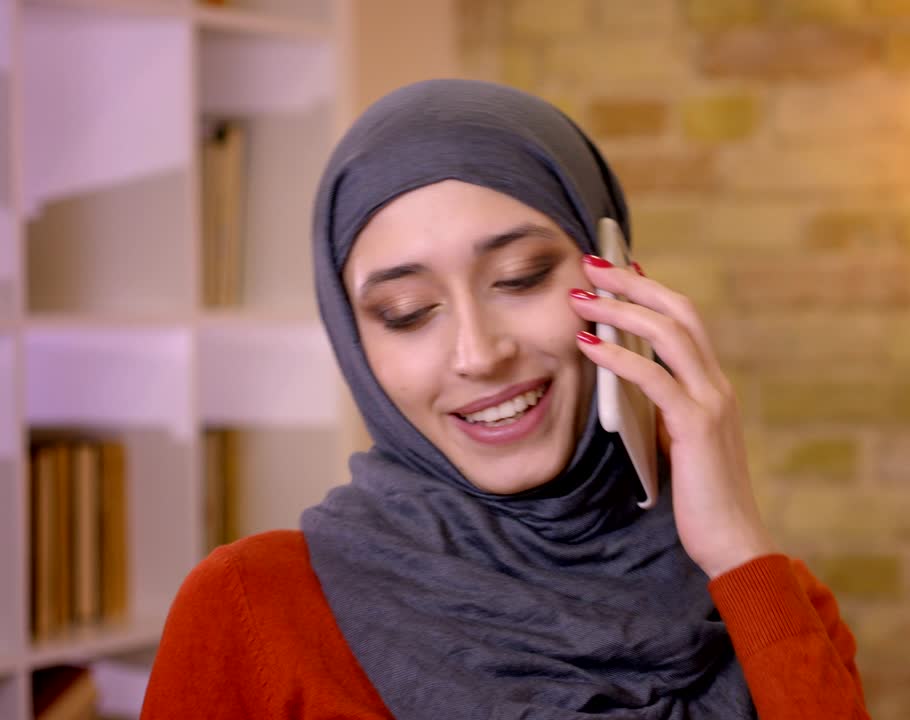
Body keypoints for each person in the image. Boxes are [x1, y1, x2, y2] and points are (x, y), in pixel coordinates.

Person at [141, 79, 870, 719]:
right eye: (406, 311)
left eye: (521, 277)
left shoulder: (770, 601)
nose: (480, 354)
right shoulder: (254, 610)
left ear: (616, 278)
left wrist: (738, 548)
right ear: (354, 343)